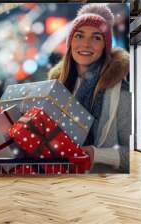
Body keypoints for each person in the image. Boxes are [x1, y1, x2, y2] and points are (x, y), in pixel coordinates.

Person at [48, 4, 130, 173]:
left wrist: (96, 154)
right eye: (79, 35)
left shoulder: (120, 92)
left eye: (96, 37)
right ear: (70, 43)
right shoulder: (55, 89)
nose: (86, 44)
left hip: (102, 185)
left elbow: (135, 155)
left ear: (105, 47)